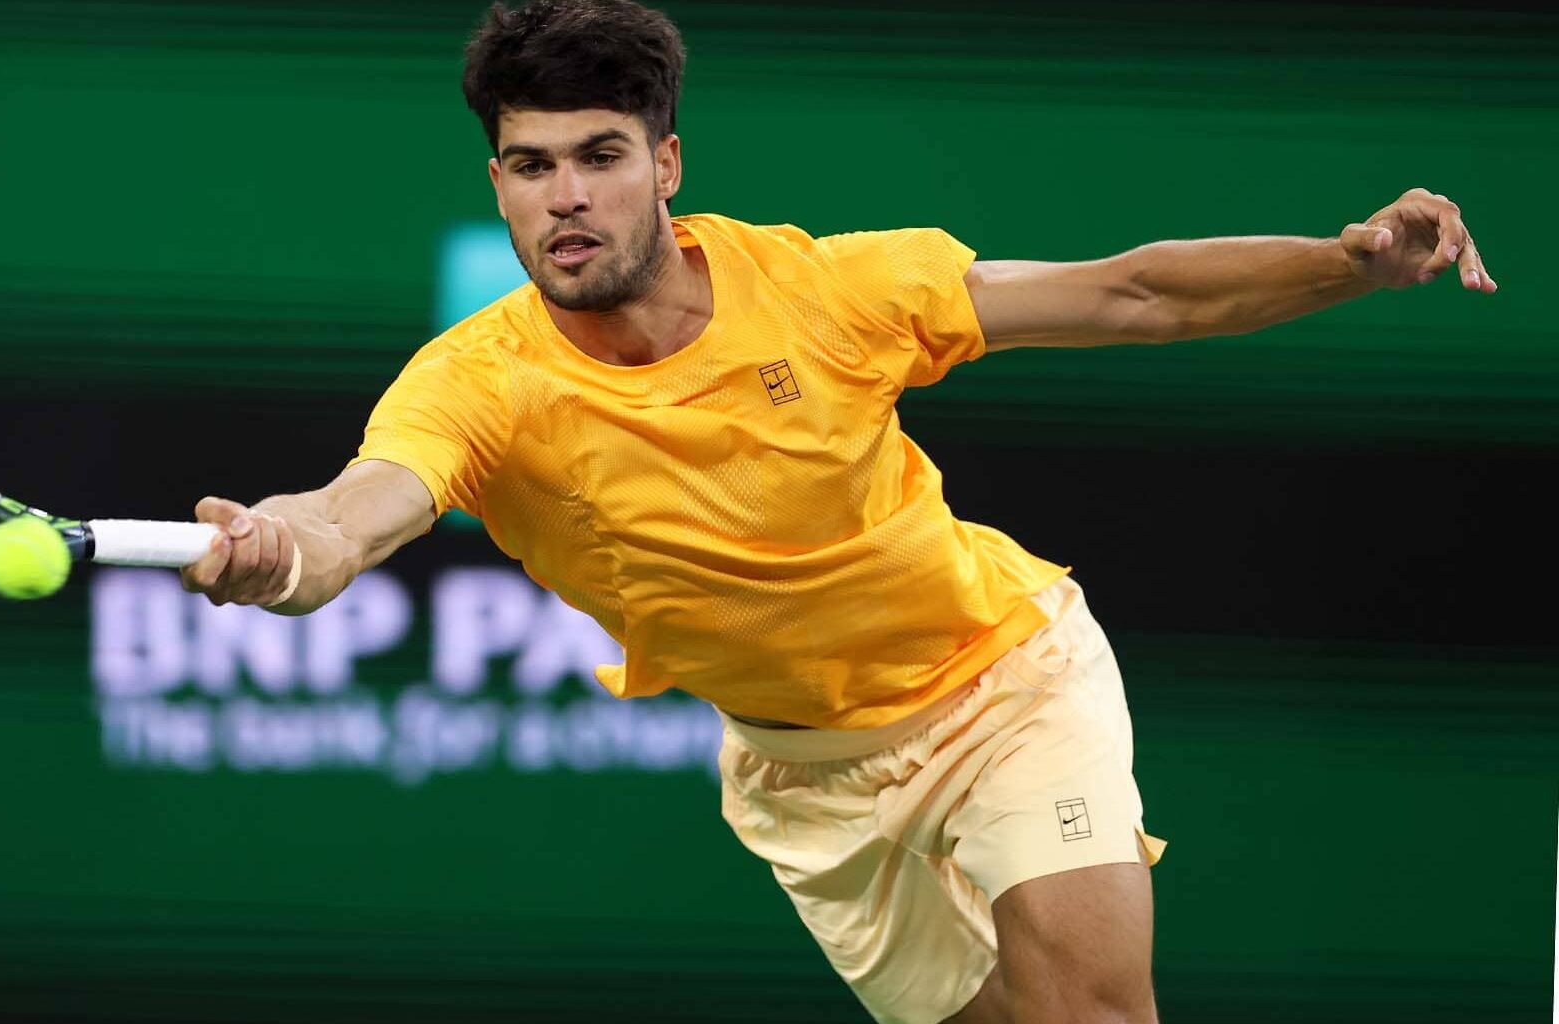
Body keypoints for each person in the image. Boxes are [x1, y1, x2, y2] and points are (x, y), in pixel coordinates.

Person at [179, 2, 1497, 1021]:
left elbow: (1132, 293)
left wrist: (1350, 264)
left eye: (600, 156)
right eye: (530, 166)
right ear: (499, 187)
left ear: (665, 164)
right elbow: (355, 514)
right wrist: (284, 552)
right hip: (805, 781)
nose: (565, 195)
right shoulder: (475, 383)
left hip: (1001, 682)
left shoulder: (826, 292)